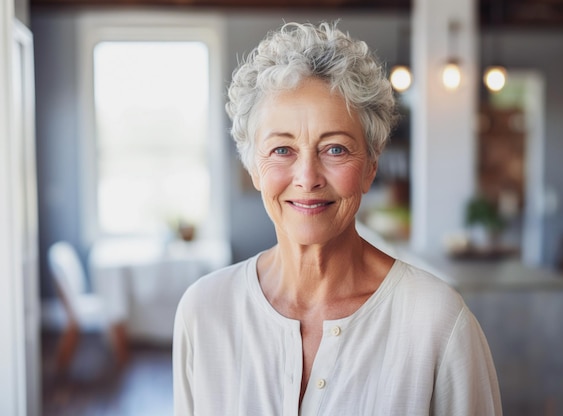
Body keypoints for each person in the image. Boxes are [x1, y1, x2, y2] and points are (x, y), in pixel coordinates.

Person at [173, 21, 502, 415]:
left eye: (335, 149)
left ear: (370, 167)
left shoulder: (438, 322)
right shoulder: (205, 311)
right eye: (282, 150)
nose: (307, 178)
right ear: (253, 168)